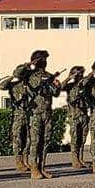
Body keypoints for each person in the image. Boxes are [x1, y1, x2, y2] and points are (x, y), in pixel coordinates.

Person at [24, 50, 62, 179]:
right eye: (42, 59)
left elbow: (55, 93)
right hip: (35, 113)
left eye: (45, 59)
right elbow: (17, 74)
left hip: (47, 112)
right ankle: (34, 168)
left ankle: (42, 167)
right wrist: (30, 64)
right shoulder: (30, 75)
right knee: (35, 141)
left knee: (45, 141)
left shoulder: (49, 76)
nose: (44, 62)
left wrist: (57, 86)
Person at [1, 57, 37, 174]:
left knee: (28, 139)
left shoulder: (29, 85)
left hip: (28, 114)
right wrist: (13, 76)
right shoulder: (13, 84)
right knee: (17, 139)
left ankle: (25, 160)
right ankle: (18, 161)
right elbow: (2, 86)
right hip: (18, 114)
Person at [61, 65, 90, 169]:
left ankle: (81, 159)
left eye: (81, 73)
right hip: (74, 115)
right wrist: (69, 77)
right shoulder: (70, 86)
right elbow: (60, 87)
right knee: (75, 138)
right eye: (78, 73)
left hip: (84, 114)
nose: (80, 75)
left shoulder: (84, 86)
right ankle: (75, 160)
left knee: (82, 139)